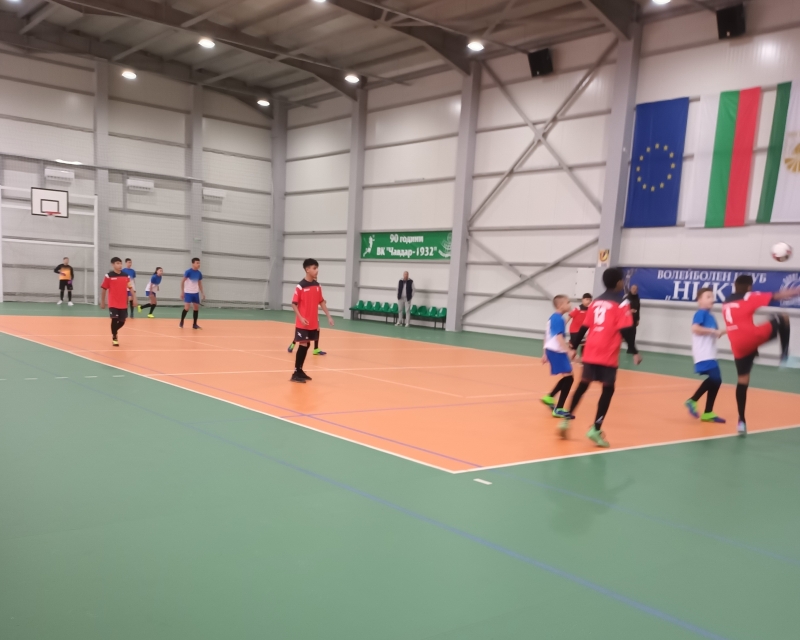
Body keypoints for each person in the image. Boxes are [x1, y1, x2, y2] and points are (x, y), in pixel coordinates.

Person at [565, 268, 642, 447]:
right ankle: (596, 428)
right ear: (619, 283)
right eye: (622, 280)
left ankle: (566, 420)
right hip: (607, 352)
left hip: (591, 350)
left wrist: (573, 347)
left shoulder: (596, 302)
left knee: (583, 385)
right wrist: (634, 350)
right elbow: (626, 330)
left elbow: (584, 327)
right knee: (607, 390)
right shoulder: (622, 303)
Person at [721, 274, 800, 436]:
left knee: (742, 381)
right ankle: (784, 357)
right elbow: (778, 295)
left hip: (737, 345)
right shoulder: (750, 297)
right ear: (749, 287)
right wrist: (796, 291)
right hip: (751, 337)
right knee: (782, 318)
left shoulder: (726, 301)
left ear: (735, 286)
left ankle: (741, 421)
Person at [685, 288, 726, 423]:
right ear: (699, 300)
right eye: (708, 296)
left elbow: (714, 334)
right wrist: (713, 331)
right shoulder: (700, 313)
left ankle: (708, 412)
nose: (711, 299)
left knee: (717, 381)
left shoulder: (711, 316)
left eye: (712, 297)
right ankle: (693, 400)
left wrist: (722, 332)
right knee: (715, 378)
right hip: (703, 353)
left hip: (711, 353)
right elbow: (695, 328)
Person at [290, 259, 334, 383]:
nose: (317, 270)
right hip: (302, 323)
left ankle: (300, 370)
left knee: (307, 344)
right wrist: (300, 317)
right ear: (307, 269)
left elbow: (321, 301)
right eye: (314, 268)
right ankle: (295, 373)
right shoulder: (300, 286)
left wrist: (329, 316)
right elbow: (293, 304)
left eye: (317, 268)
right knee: (303, 344)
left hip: (312, 322)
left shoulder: (317, 286)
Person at [540, 295, 575, 419]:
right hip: (556, 351)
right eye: (568, 302)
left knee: (568, 376)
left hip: (552, 350)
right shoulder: (558, 319)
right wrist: (568, 351)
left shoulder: (554, 318)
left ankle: (550, 397)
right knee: (569, 378)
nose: (570, 304)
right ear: (560, 305)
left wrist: (545, 352)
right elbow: (559, 338)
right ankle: (559, 409)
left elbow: (547, 335)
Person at [100, 257, 133, 347]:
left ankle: (114, 330)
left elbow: (130, 287)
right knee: (114, 319)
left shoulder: (126, 276)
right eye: (117, 263)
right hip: (113, 303)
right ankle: (115, 337)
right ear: (113, 265)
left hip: (123, 303)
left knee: (122, 321)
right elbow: (104, 289)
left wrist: (134, 298)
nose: (120, 265)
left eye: (120, 263)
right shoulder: (108, 276)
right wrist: (102, 301)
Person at [180, 258, 205, 329]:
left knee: (196, 308)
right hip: (188, 292)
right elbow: (182, 282)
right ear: (193, 263)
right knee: (187, 308)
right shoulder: (188, 272)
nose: (199, 264)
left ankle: (195, 324)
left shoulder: (199, 273)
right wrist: (182, 292)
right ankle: (181, 321)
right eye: (197, 263)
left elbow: (199, 283)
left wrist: (202, 293)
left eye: (199, 263)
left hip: (195, 293)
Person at [568, 293, 592, 360]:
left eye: (590, 300)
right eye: (587, 299)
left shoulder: (590, 310)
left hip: (583, 331)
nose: (588, 301)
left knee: (584, 343)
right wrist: (563, 324)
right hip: (574, 330)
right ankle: (570, 357)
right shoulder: (577, 308)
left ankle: (583, 357)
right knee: (574, 345)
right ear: (582, 300)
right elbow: (569, 316)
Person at [625, 284, 641, 353]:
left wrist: (638, 319)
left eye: (636, 289)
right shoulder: (627, 298)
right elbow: (622, 308)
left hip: (634, 319)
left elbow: (638, 309)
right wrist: (629, 310)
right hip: (627, 318)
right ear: (630, 289)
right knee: (627, 334)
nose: (634, 290)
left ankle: (631, 348)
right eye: (633, 288)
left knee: (633, 333)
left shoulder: (637, 298)